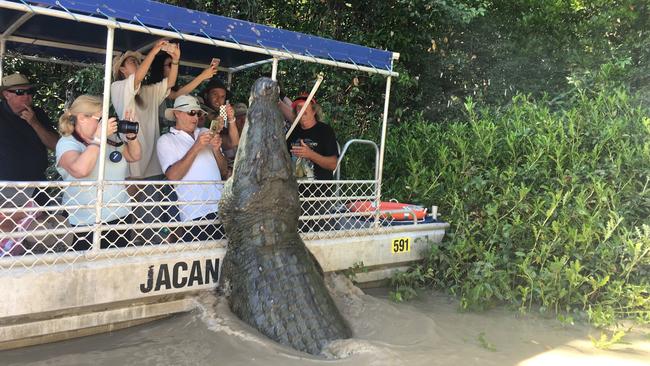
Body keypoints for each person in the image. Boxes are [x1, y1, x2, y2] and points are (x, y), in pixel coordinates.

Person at [111, 40, 180, 244]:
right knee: (129, 222)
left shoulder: (147, 91)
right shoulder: (118, 87)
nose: (138, 63)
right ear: (122, 69)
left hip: (152, 166)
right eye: (132, 61)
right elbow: (138, 76)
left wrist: (175, 61)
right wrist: (155, 49)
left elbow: (170, 84)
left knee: (151, 222)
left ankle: (149, 262)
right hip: (132, 165)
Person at [55, 95, 141, 250]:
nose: (105, 124)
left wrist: (131, 135)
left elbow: (134, 156)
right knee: (89, 271)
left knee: (116, 269)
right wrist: (97, 139)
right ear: (82, 118)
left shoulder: (108, 140)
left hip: (121, 217)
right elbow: (80, 170)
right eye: (101, 119)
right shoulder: (67, 143)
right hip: (86, 223)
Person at [0, 73, 59, 256]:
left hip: (37, 188)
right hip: (6, 191)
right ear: (6, 95)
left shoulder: (38, 114)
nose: (27, 96)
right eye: (20, 92)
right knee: (7, 244)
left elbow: (56, 145)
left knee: (38, 241)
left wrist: (34, 122)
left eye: (29, 92)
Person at [156, 95, 228, 242]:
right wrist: (196, 148)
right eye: (191, 112)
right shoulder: (166, 140)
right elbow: (173, 176)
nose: (195, 117)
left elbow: (224, 171)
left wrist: (216, 149)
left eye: (198, 113)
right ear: (176, 113)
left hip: (221, 208)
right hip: (194, 213)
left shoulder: (205, 132)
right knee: (201, 260)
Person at [287, 94, 338, 180]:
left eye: (306, 106)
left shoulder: (325, 131)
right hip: (294, 189)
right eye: (299, 107)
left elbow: (333, 164)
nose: (302, 110)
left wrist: (310, 154)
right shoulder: (291, 132)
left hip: (319, 191)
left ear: (314, 111)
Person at [202, 78, 240, 173]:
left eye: (222, 96)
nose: (218, 99)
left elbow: (234, 143)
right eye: (215, 94)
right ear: (206, 95)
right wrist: (215, 120)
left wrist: (231, 118)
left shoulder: (221, 114)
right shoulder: (199, 110)